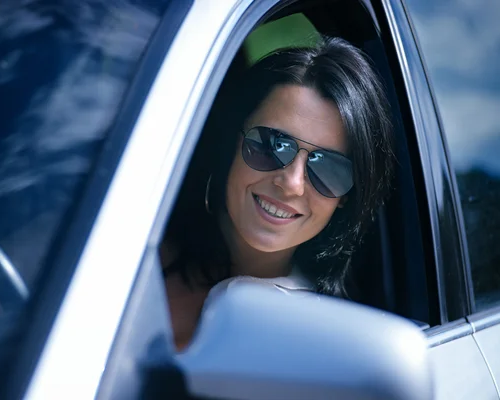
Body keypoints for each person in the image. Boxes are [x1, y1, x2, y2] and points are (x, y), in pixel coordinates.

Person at [161, 37, 395, 351]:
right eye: (273, 145)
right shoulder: (131, 243)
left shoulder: (315, 337)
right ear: (231, 141)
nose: (292, 183)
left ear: (345, 198)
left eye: (328, 169)